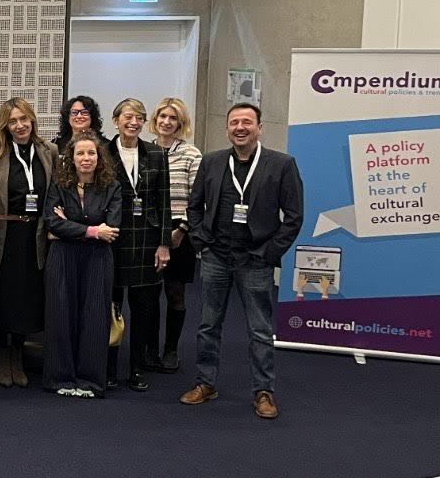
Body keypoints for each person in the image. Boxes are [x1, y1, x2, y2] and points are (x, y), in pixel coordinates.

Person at [179, 103, 303, 420]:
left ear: (260, 128)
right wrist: (201, 243)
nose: (240, 127)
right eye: (234, 122)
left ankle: (263, 391)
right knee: (208, 325)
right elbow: (194, 207)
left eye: (247, 122)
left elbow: (294, 216)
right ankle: (206, 383)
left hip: (255, 259)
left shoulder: (281, 164)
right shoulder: (212, 162)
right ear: (227, 129)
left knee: (259, 330)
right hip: (216, 257)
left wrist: (269, 253)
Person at [0, 98, 56, 388]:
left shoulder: (49, 151)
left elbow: (56, 190)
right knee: (2, 297)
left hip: (35, 234)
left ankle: (18, 355)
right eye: (13, 121)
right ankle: (2, 355)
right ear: (5, 126)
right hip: (3, 233)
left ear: (32, 120)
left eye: (24, 119)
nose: (20, 125)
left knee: (28, 297)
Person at [42, 131, 122, 399]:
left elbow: (112, 227)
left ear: (99, 158)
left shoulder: (112, 187)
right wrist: (92, 230)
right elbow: (52, 223)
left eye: (91, 153)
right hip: (63, 258)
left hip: (98, 259)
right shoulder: (59, 185)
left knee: (95, 317)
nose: (86, 158)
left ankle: (90, 381)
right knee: (60, 315)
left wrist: (70, 225)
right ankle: (60, 378)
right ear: (71, 158)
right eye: (80, 153)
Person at [106, 99, 171, 393]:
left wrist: (164, 244)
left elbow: (164, 202)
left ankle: (137, 368)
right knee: (112, 307)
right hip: (114, 238)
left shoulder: (156, 154)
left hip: (147, 239)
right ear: (116, 120)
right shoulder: (103, 152)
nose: (134, 122)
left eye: (140, 118)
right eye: (128, 117)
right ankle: (109, 367)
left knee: (143, 309)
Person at [150, 96, 203, 373]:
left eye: (173, 118)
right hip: (148, 228)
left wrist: (182, 230)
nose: (167, 122)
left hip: (179, 230)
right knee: (146, 295)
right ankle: (147, 349)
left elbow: (198, 198)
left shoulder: (192, 154)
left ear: (181, 123)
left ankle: (170, 349)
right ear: (155, 120)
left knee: (175, 293)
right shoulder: (145, 151)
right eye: (163, 116)